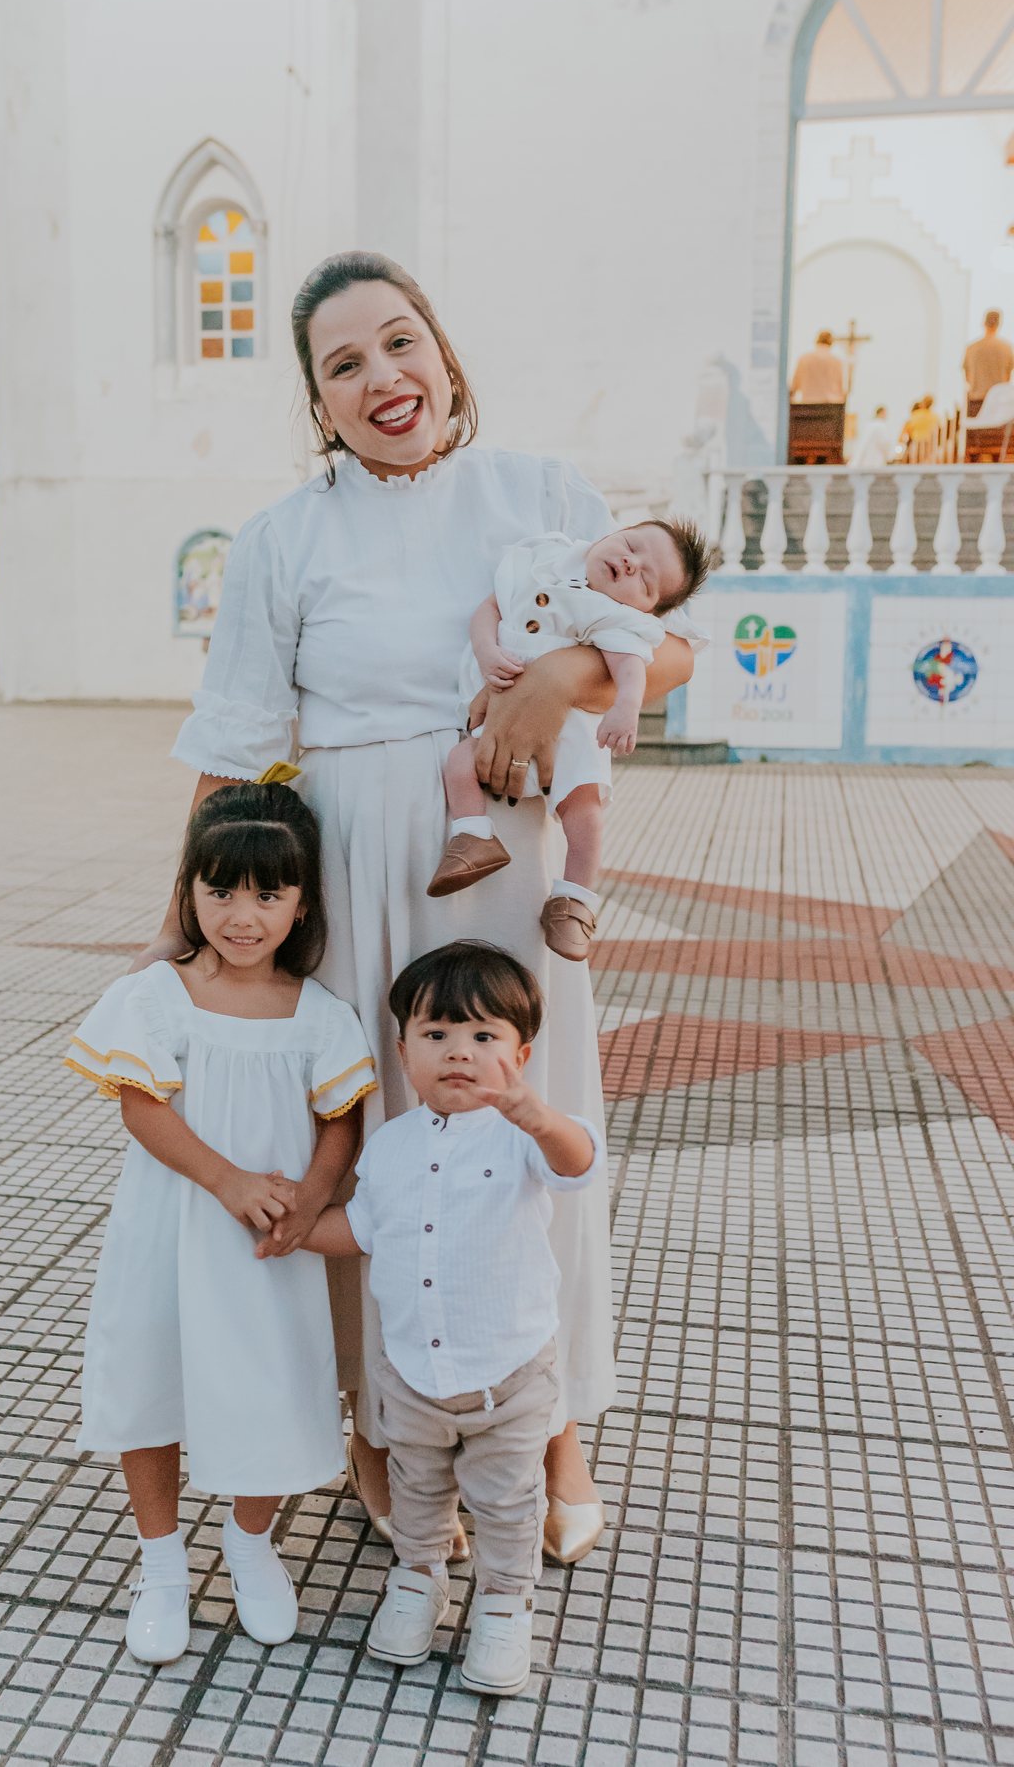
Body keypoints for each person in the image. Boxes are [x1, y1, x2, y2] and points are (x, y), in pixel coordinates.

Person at [136, 250, 702, 1571]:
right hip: (342, 865)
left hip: (495, 862)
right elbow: (229, 750)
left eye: (402, 343)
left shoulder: (542, 492)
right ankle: (384, 1420)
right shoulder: (285, 539)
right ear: (317, 402)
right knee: (372, 1136)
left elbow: (666, 644)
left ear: (443, 352)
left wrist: (556, 675)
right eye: (345, 364)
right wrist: (178, 944)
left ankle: (548, 1417)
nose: (384, 377)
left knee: (517, 1116)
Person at [65, 781, 375, 1663]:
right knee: (149, 1376)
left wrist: (313, 1195)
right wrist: (229, 1179)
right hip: (171, 1225)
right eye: (221, 890)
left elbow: (341, 1118)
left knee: (271, 1380)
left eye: (269, 893)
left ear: (304, 900)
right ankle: (161, 1562)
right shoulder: (157, 995)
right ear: (189, 888)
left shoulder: (320, 1012)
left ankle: (249, 1540)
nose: (243, 915)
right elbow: (141, 1107)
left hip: (266, 1243)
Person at [283, 940, 603, 1696]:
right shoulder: (390, 1145)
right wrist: (292, 1227)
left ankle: (502, 1603)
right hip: (413, 1376)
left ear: (519, 1053)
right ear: (403, 1050)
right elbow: (361, 1228)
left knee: (505, 1499)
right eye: (436, 1036)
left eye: (483, 1037)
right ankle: (418, 1581)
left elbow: (579, 1161)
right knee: (418, 1490)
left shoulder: (523, 1138)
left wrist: (538, 1114)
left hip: (508, 1375)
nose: (459, 1052)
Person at [428, 524, 711, 961]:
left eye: (646, 580)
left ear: (650, 610)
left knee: (585, 813)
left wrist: (625, 708)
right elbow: (490, 608)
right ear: (613, 533)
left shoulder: (612, 614)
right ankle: (473, 836)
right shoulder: (544, 563)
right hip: (498, 710)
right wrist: (485, 649)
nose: (631, 563)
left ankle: (574, 900)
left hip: (573, 731)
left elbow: (630, 667)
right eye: (632, 545)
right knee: (460, 763)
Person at [964, 311, 1014, 417]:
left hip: (975, 404)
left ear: (984, 323)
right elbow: (1008, 378)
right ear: (999, 324)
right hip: (999, 405)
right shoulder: (1006, 348)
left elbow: (967, 377)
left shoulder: (971, 348)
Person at [789, 330, 846, 403]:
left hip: (808, 405)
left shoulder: (804, 359)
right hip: (830, 406)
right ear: (831, 343)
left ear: (817, 341)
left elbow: (794, 386)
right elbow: (839, 388)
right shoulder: (837, 361)